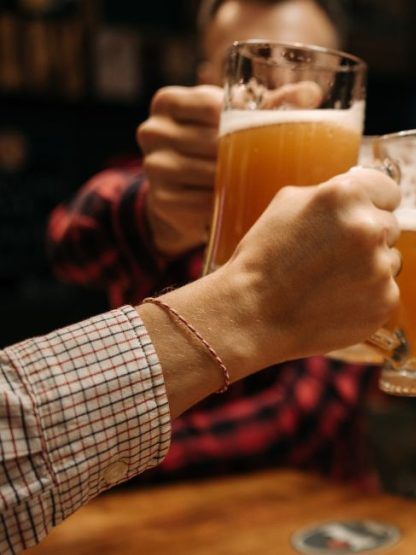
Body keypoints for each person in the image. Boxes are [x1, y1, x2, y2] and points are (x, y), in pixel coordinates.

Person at [45, 0, 369, 483]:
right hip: (153, 509)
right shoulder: (166, 187)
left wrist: (98, 457)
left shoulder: (360, 216)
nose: (285, 95)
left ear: (340, 97)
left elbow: (304, 415)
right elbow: (70, 241)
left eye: (308, 75)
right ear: (207, 82)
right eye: (254, 76)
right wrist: (157, 216)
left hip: (318, 505)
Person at [4, 167, 400, 553]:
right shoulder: (176, 184)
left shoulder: (351, 215)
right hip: (149, 526)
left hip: (318, 520)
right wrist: (156, 208)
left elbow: (305, 415)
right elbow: (69, 239)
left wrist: (107, 461)